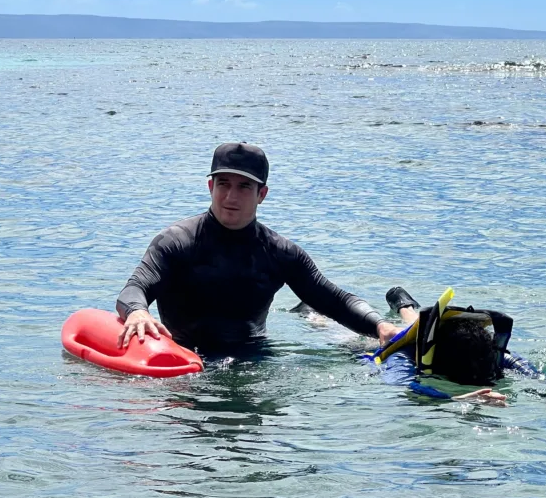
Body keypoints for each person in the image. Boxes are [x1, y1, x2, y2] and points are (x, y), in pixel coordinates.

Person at [116, 142, 400, 352]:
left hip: (255, 359)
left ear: (261, 194)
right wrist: (137, 311)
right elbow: (134, 288)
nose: (230, 196)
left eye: (244, 187)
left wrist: (379, 326)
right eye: (223, 184)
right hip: (183, 357)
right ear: (209, 186)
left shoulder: (280, 252)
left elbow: (335, 300)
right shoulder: (176, 241)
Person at [366, 287, 546, 406]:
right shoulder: (404, 357)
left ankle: (404, 303)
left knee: (415, 323)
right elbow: (400, 384)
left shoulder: (487, 352)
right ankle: (403, 305)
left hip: (432, 334)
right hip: (381, 344)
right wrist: (456, 398)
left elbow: (537, 376)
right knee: (389, 332)